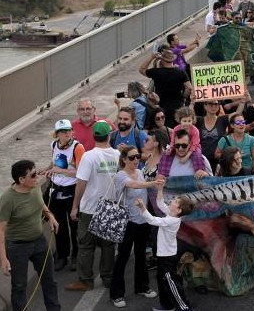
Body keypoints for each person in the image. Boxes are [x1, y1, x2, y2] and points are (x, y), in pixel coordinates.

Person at [0, 160, 61, 311]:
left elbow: (40, 204)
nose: (37, 177)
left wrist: (51, 217)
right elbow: (1, 230)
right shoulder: (8, 199)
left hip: (39, 241)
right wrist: (3, 259)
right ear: (21, 180)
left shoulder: (34, 187)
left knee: (50, 281)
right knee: (19, 286)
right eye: (33, 175)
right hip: (17, 247)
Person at [67, 120, 120, 292]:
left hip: (90, 208)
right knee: (108, 245)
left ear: (94, 136)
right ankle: (108, 278)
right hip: (111, 206)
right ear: (109, 135)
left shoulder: (89, 156)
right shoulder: (118, 155)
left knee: (85, 245)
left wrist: (75, 207)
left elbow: (81, 184)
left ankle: (86, 280)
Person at [110, 146, 160, 308]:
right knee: (122, 257)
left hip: (142, 221)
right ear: (124, 160)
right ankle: (116, 294)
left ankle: (142, 287)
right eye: (131, 158)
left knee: (141, 256)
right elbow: (134, 185)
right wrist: (153, 183)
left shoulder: (139, 172)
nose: (136, 160)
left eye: (137, 156)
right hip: (127, 223)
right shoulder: (120, 176)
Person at [133, 183, 196, 311]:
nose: (172, 202)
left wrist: (142, 207)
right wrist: (160, 189)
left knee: (171, 282)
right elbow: (160, 203)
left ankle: (184, 307)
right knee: (163, 281)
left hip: (168, 258)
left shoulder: (171, 221)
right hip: (164, 255)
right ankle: (167, 305)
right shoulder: (172, 214)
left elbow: (152, 220)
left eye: (175, 202)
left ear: (178, 210)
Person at [45, 119, 84, 272]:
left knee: (74, 226)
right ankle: (62, 256)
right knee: (58, 226)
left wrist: (60, 171)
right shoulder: (54, 145)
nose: (67, 133)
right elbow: (54, 161)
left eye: (68, 130)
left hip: (72, 190)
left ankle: (76, 255)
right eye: (63, 131)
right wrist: (47, 169)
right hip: (56, 190)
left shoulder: (77, 147)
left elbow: (81, 171)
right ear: (57, 134)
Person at [140, 46, 192, 128]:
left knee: (165, 129)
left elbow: (142, 69)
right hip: (178, 105)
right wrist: (184, 97)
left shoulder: (156, 72)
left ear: (162, 60)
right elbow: (189, 87)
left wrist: (152, 57)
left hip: (162, 106)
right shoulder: (180, 72)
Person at [196, 101, 230, 173]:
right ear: (205, 106)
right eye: (210, 104)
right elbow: (188, 118)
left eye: (216, 104)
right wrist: (192, 103)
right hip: (202, 159)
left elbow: (237, 117)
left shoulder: (223, 119)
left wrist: (242, 103)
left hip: (219, 160)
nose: (213, 106)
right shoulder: (199, 120)